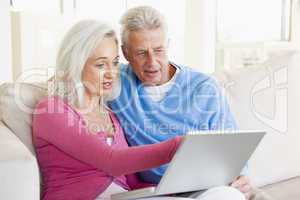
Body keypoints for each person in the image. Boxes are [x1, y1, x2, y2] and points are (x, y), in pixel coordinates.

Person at [32, 19, 245, 200]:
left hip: (122, 196)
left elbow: (130, 178)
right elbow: (112, 161)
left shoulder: (110, 114)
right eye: (100, 65)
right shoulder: (52, 112)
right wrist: (180, 145)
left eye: (115, 63)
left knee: (227, 195)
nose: (111, 73)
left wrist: (169, 191)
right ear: (75, 64)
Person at [108, 6, 252, 200]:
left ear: (167, 45)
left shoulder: (204, 88)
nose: (152, 62)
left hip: (205, 187)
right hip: (154, 192)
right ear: (125, 53)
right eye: (141, 53)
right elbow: (73, 80)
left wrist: (240, 175)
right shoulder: (114, 83)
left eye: (158, 50)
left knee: (229, 196)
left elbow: (232, 147)